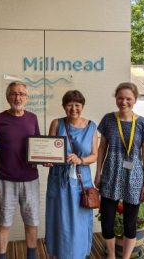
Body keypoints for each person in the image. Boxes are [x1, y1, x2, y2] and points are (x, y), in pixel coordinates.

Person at [94, 82, 144, 259]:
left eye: (128, 98)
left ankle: (126, 257)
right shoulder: (108, 120)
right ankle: (111, 255)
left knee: (130, 223)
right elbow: (101, 148)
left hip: (134, 178)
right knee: (107, 222)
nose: (124, 102)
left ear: (135, 100)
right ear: (116, 99)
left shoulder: (143, 123)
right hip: (111, 175)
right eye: (120, 98)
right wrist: (98, 173)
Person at [45, 90, 98, 259]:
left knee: (79, 221)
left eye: (77, 105)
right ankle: (59, 254)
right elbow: (49, 151)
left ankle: (78, 254)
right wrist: (47, 160)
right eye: (69, 105)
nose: (73, 108)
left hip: (81, 181)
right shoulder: (56, 123)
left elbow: (94, 156)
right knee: (60, 219)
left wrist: (80, 160)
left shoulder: (92, 126)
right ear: (63, 106)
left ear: (82, 106)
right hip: (58, 179)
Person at [0, 81, 40, 259]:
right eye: (13, 93)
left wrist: (48, 159)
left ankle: (31, 256)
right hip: (5, 179)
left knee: (32, 222)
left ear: (27, 98)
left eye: (21, 94)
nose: (17, 97)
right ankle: (2, 256)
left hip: (30, 179)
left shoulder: (32, 118)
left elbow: (39, 146)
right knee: (4, 222)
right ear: (7, 97)